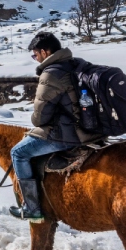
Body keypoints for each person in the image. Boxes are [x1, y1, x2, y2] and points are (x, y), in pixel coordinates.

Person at [9, 32, 103, 222]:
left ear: (44, 52)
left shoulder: (51, 73)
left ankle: (32, 208)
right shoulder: (75, 63)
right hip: (90, 130)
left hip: (67, 135)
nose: (35, 59)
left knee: (18, 153)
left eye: (35, 55)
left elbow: (39, 117)